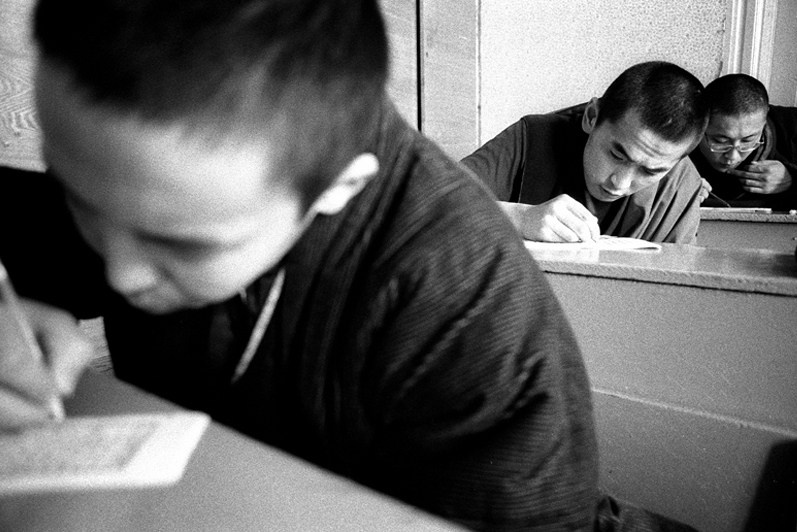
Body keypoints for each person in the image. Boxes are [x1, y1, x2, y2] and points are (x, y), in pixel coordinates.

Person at [0, 0, 601, 529]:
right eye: (77, 199)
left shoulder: (475, 322)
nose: (118, 275)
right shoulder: (143, 176)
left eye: (185, 247)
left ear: (338, 188)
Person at [461, 61, 708, 244]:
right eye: (617, 155)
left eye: (650, 171)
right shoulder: (533, 137)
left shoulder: (682, 186)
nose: (620, 184)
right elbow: (429, 201)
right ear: (592, 116)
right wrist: (519, 218)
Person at [690, 73, 797, 210]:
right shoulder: (676, 140)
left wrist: (792, 180)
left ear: (764, 119)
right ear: (700, 123)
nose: (733, 157)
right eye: (720, 141)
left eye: (748, 140)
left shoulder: (791, 129)